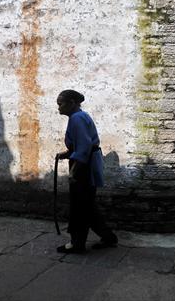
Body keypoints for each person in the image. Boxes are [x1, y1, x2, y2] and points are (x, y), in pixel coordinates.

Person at [55, 89, 117, 253]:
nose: (59, 108)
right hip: (85, 162)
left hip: (84, 166)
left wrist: (74, 171)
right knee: (87, 205)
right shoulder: (78, 117)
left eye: (61, 104)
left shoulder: (77, 119)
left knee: (79, 205)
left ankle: (77, 243)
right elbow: (81, 144)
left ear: (72, 103)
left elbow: (84, 147)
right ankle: (108, 237)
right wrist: (67, 154)